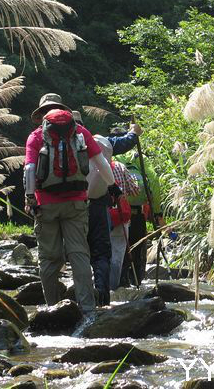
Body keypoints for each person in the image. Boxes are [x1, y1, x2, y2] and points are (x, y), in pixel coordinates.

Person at [23, 94, 113, 313]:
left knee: (49, 259)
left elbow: (29, 170)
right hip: (76, 203)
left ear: (42, 114)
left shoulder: (35, 137)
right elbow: (101, 163)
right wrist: (113, 187)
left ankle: (53, 308)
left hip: (46, 205)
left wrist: (30, 198)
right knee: (79, 255)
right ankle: (88, 310)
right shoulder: (81, 132)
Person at [110, 127, 164, 287]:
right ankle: (138, 286)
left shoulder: (107, 156)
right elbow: (153, 182)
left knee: (117, 250)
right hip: (137, 213)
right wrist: (156, 212)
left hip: (115, 213)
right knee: (138, 250)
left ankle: (118, 285)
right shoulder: (138, 157)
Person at [84, 129, 114, 307]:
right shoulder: (98, 142)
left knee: (77, 253)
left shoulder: (45, 140)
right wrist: (133, 134)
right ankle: (102, 296)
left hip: (70, 207)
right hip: (98, 206)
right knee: (101, 254)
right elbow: (126, 142)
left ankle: (83, 298)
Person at [107, 157, 138, 290]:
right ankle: (112, 287)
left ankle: (100, 285)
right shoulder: (120, 166)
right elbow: (135, 191)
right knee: (117, 253)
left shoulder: (91, 164)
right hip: (120, 215)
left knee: (99, 252)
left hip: (99, 215)